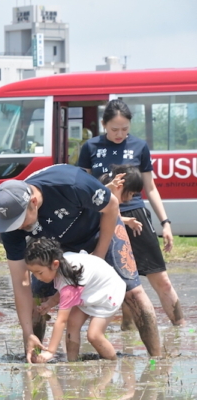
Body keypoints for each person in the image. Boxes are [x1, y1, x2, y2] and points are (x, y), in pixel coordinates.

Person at [0, 163, 161, 363]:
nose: (19, 227)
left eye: (21, 220)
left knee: (133, 293)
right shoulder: (11, 227)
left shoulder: (71, 183)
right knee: (36, 298)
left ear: (34, 201)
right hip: (58, 246)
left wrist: (98, 255)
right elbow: (21, 282)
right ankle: (34, 355)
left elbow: (113, 205)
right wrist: (27, 332)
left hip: (100, 228)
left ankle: (158, 361)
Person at [78, 99, 184, 327]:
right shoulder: (90, 148)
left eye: (125, 129)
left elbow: (151, 188)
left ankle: (181, 330)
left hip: (135, 213)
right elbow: (82, 186)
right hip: (103, 216)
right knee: (121, 283)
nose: (119, 134)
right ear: (103, 124)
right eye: (114, 129)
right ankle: (126, 332)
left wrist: (165, 222)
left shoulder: (139, 147)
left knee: (162, 280)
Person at [25, 238, 125, 362]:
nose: (37, 277)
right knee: (73, 322)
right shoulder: (63, 265)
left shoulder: (70, 281)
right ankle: (72, 361)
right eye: (33, 273)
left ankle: (113, 363)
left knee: (94, 335)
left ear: (55, 264)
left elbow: (61, 320)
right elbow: (64, 289)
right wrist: (50, 303)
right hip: (90, 290)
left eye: (39, 272)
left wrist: (50, 352)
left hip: (107, 294)